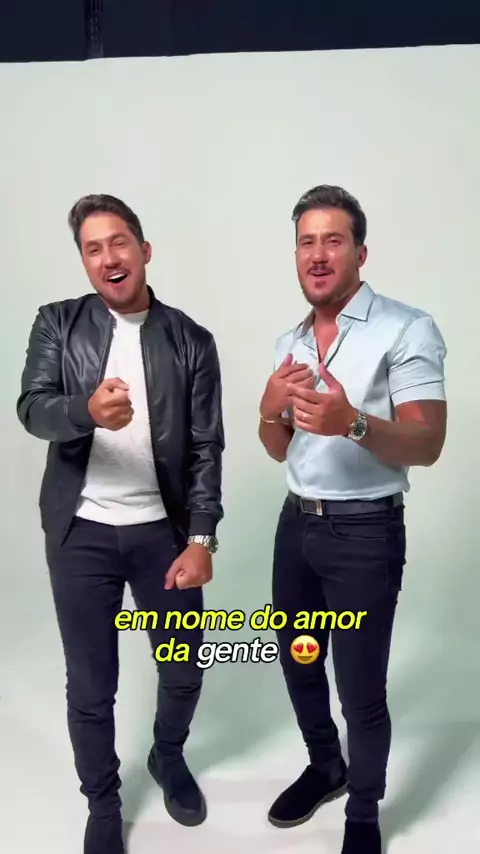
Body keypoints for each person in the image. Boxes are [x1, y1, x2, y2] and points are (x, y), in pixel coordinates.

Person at [16, 194, 224, 854]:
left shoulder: (191, 341)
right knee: (91, 686)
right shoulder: (58, 323)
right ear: (84, 261)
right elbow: (33, 407)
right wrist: (85, 410)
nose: (108, 257)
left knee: (183, 667)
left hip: (163, 533)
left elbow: (206, 448)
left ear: (144, 250)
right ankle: (102, 802)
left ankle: (168, 754)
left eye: (119, 242)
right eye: (93, 248)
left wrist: (201, 537)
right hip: (82, 532)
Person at [258, 185, 447, 854]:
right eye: (306, 242)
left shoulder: (407, 328)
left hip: (366, 533)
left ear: (359, 253)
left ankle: (363, 814)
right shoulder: (289, 342)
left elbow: (427, 443)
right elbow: (278, 445)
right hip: (296, 527)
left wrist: (353, 423)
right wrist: (267, 410)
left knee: (361, 690)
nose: (318, 254)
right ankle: (326, 767)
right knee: (299, 661)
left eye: (332, 240)